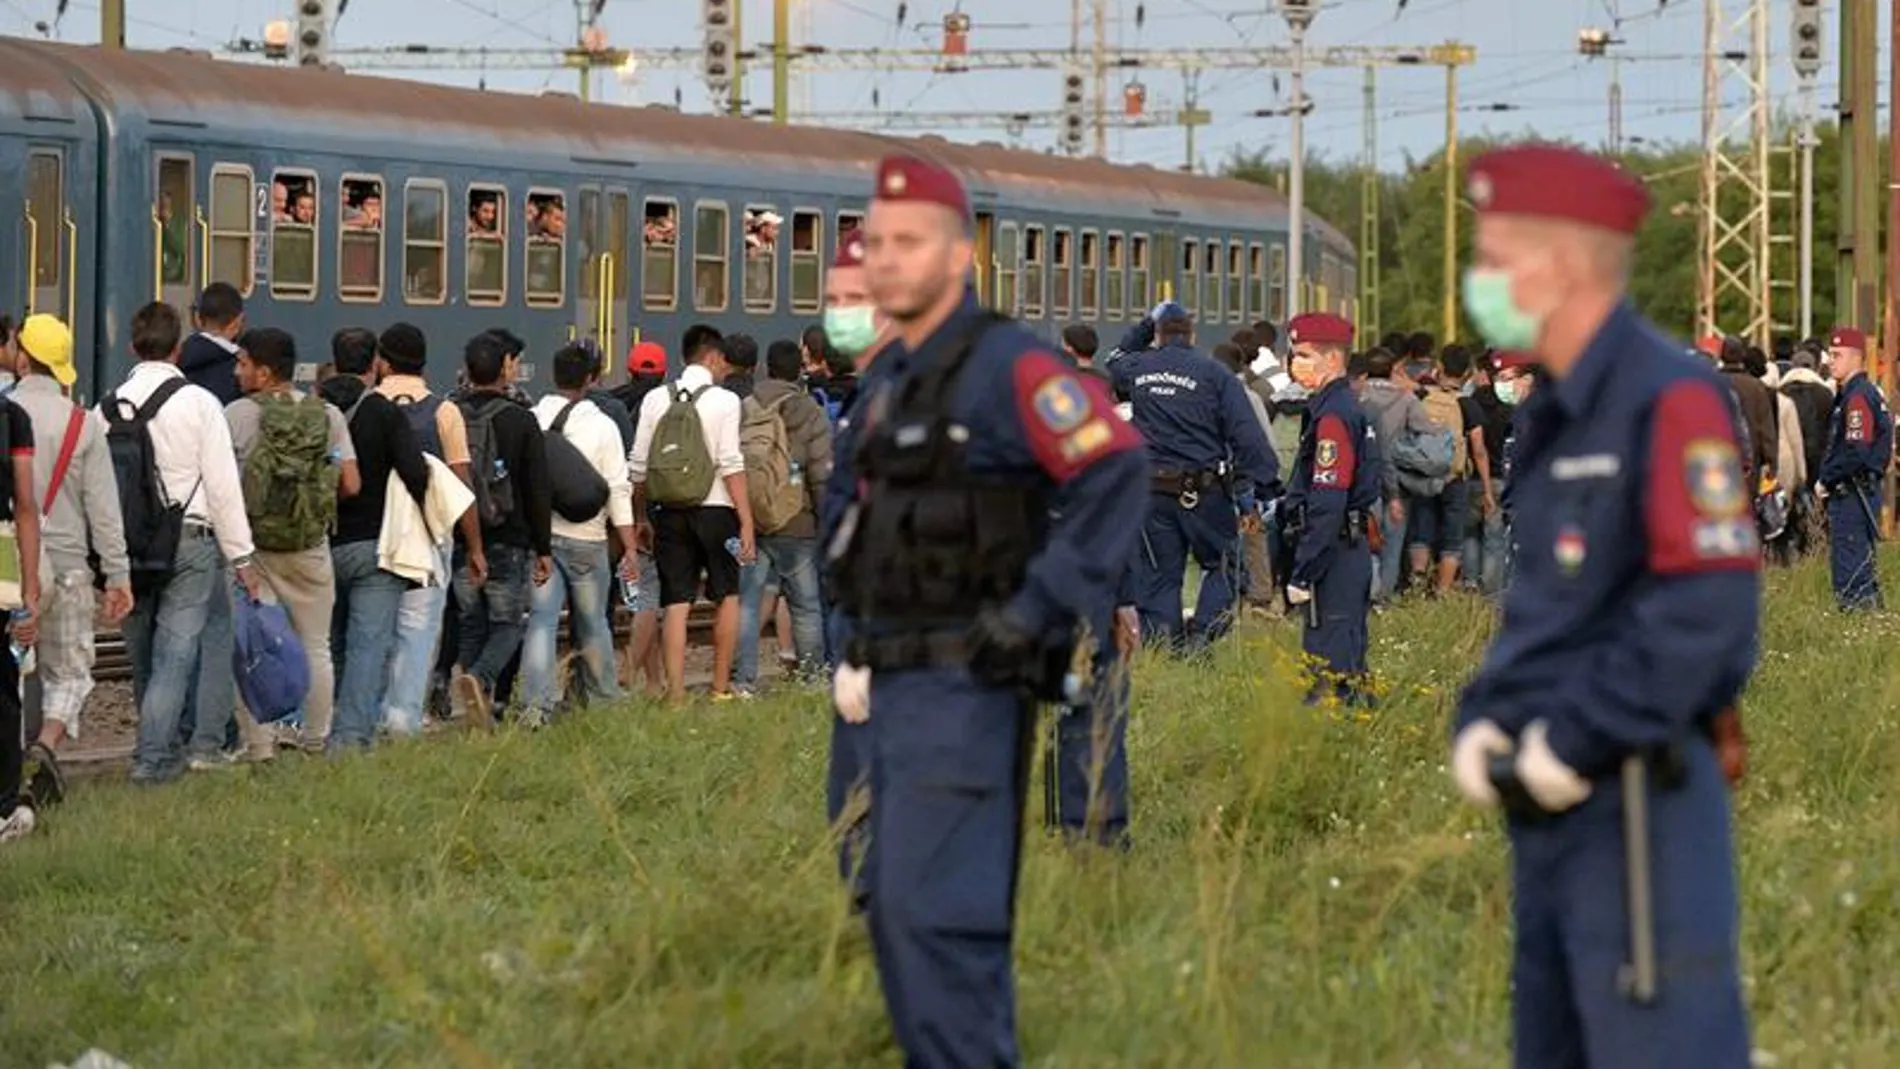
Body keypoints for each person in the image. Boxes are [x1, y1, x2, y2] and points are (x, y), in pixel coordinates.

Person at [828, 153, 1147, 1068]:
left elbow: (1112, 463)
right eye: (875, 242)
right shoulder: (897, 379)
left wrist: (1039, 607)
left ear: (961, 255)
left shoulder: (1007, 362)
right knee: (893, 912)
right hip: (892, 682)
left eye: (911, 242)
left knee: (944, 924)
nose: (887, 259)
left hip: (966, 684)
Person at [1449, 144, 1758, 1069]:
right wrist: (1490, 713)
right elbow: (1549, 608)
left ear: (1564, 265)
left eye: (1496, 257)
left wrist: (1574, 735)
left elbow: (1705, 611)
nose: (1481, 281)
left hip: (1635, 804)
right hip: (1551, 811)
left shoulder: (1669, 398)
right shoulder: (1554, 411)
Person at [111, 302, 263, 784]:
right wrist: (242, 556)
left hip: (129, 547)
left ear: (134, 347)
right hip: (191, 542)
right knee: (175, 656)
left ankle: (162, 746)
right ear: (177, 349)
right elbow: (222, 485)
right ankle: (155, 759)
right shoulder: (199, 403)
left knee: (143, 656)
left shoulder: (108, 405)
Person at [1104, 302, 1279, 652]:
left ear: (1157, 336)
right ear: (1193, 336)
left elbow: (1114, 358)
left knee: (1159, 579)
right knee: (1226, 567)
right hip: (1204, 493)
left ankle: (1165, 650)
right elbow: (1246, 435)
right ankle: (1201, 638)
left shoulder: (1138, 367)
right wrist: (1265, 483)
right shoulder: (1215, 375)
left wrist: (1145, 325)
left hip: (1151, 493)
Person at [225, 327, 361, 753]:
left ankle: (260, 746)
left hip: (253, 550)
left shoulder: (237, 415)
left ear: (263, 373)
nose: (237, 370)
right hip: (309, 546)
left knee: (255, 647)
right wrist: (314, 502)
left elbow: (223, 486)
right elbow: (352, 483)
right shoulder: (328, 415)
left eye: (243, 363)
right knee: (316, 646)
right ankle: (315, 740)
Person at [10, 316, 131, 766]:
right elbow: (104, 510)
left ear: (22, 358)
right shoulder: (83, 423)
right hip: (68, 569)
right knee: (71, 675)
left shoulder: (5, 414)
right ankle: (44, 747)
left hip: (11, 569)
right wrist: (118, 575)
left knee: (14, 674)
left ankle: (11, 760)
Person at [315, 327, 436, 740]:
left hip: (321, 546)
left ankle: (318, 727)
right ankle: (349, 741)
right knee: (368, 647)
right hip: (374, 548)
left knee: (328, 646)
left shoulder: (315, 408)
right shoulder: (383, 412)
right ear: (374, 365)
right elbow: (415, 473)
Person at [628, 325, 753, 703]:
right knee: (727, 595)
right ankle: (719, 689)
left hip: (670, 511)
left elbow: (638, 468)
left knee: (676, 602)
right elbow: (731, 463)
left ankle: (676, 695)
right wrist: (746, 520)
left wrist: (641, 517)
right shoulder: (725, 401)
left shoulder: (654, 399)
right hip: (718, 511)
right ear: (713, 357)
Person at [376, 324, 485, 731]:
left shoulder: (368, 406)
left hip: (379, 536)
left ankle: (372, 714)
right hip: (428, 537)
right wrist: (474, 546)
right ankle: (405, 717)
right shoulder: (444, 411)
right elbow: (461, 485)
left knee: (374, 629)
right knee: (419, 634)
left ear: (382, 362)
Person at [523, 343, 636, 720]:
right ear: (592, 379)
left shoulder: (532, 418)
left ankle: (534, 708)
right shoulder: (603, 425)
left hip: (542, 540)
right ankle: (604, 701)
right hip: (588, 539)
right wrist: (631, 546)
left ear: (554, 376)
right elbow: (618, 488)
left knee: (541, 622)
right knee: (592, 623)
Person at [450, 333, 554, 722]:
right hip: (509, 538)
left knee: (472, 623)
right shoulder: (521, 419)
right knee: (508, 625)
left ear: (467, 370)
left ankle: (476, 707)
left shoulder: (450, 413)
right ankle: (479, 678)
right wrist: (543, 548)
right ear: (505, 369)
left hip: (462, 536)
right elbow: (537, 488)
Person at [1280, 313, 1381, 705]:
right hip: (1343, 546)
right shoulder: (1338, 407)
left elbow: (1327, 499)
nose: (1295, 363)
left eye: (1304, 355)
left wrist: (1303, 570)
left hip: (1333, 551)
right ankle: (1358, 728)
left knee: (1329, 662)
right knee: (1348, 655)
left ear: (1333, 359)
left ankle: (1334, 737)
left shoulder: (1334, 417)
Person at [734, 340, 833, 693]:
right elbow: (821, 474)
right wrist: (826, 522)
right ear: (798, 371)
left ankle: (742, 681)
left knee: (747, 603)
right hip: (798, 522)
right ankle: (811, 681)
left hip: (754, 519)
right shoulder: (810, 410)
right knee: (806, 606)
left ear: (767, 367)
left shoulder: (746, 407)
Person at [1818, 327, 1891, 611]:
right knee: (1861, 566)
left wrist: (1826, 478)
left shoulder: (1858, 397)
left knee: (1851, 575)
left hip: (1852, 494)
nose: (1830, 361)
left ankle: (1859, 624)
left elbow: (1856, 451)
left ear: (1856, 358)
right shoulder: (1861, 393)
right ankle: (1870, 628)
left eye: (1837, 355)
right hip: (1860, 491)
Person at [0, 336, 41, 841]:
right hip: (0, 567)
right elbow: (26, 506)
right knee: (2, 692)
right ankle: (4, 808)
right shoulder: (13, 418)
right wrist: (30, 591)